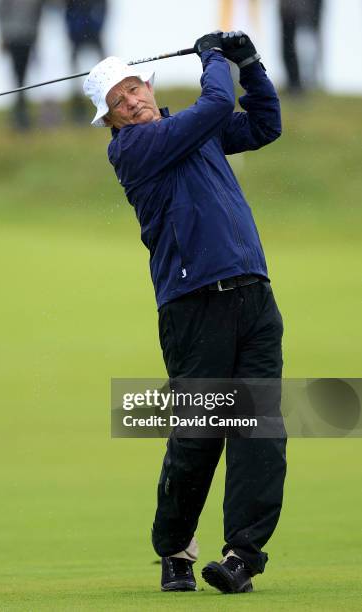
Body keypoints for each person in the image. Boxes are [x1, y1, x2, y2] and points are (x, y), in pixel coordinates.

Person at [83, 31, 287, 594]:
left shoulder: (191, 130)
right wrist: (214, 58)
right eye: (117, 102)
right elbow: (218, 102)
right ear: (111, 121)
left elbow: (263, 123)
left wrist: (249, 64)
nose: (130, 102)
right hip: (193, 307)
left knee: (260, 429)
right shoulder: (134, 150)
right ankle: (175, 549)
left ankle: (242, 555)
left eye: (132, 89)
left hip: (253, 296)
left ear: (147, 86)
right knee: (199, 436)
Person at [0, 0, 45, 130]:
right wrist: (3, 36)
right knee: (19, 78)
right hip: (14, 38)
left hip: (28, 37)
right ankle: (20, 114)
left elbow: (38, 13)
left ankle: (22, 114)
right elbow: (1, 13)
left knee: (23, 78)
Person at [64, 0, 108, 121]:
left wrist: (97, 25)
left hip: (93, 32)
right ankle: (78, 105)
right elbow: (67, 11)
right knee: (75, 73)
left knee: (106, 68)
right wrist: (73, 30)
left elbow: (104, 8)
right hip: (77, 34)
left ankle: (108, 98)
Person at [279, 0, 324, 93]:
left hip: (296, 10)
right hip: (294, 9)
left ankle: (301, 82)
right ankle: (298, 82)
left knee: (303, 42)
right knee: (295, 42)